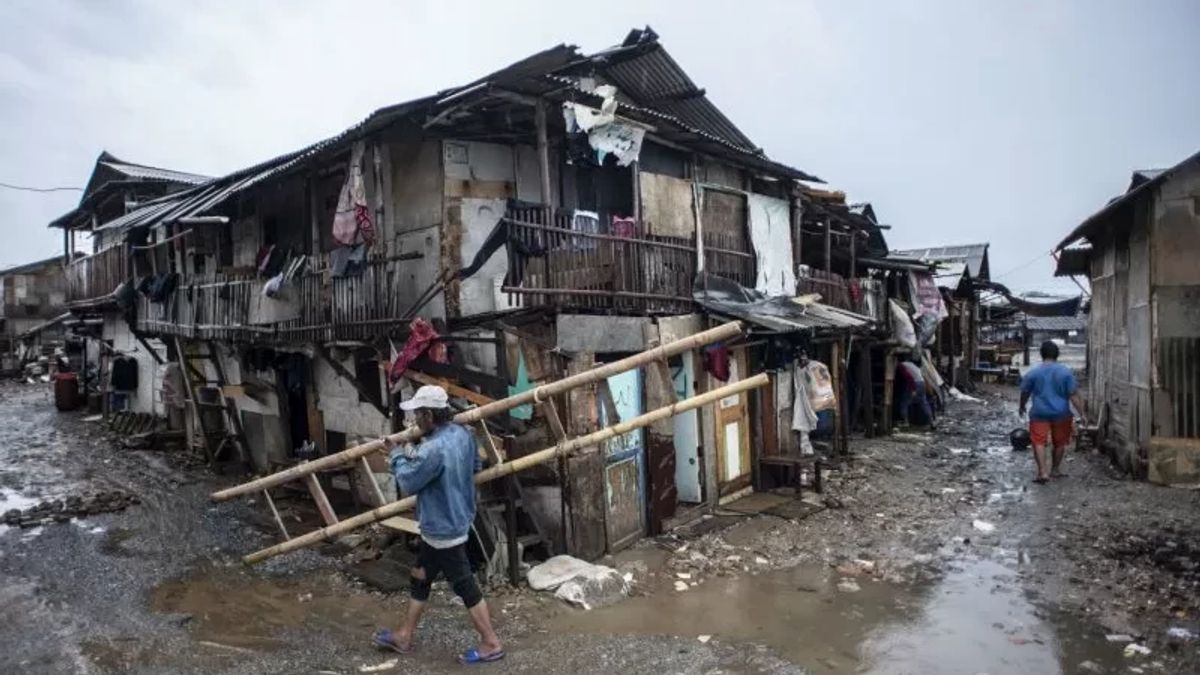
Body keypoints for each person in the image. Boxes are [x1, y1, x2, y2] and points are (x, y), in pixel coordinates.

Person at [372, 385, 504, 664]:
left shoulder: (433, 449)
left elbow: (408, 481)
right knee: (420, 574)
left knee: (465, 584)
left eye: (418, 414)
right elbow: (476, 468)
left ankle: (491, 643)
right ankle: (405, 635)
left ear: (429, 415)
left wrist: (396, 454)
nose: (415, 421)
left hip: (443, 527)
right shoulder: (464, 435)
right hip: (454, 519)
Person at [1019, 340, 1087, 484]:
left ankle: (1042, 472)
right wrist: (1082, 413)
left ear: (1042, 354)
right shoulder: (1065, 373)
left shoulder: (1033, 373)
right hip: (1061, 413)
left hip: (1039, 413)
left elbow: (1025, 392)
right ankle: (1055, 469)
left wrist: (1022, 406)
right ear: (1057, 354)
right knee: (1060, 442)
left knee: (1039, 442)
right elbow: (1073, 395)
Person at [896, 358, 935, 428]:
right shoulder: (911, 364)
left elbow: (909, 377)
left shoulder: (900, 365)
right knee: (923, 402)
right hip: (921, 383)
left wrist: (913, 389)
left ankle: (905, 422)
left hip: (915, 384)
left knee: (904, 402)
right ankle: (931, 422)